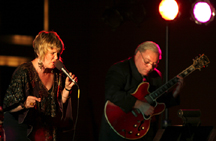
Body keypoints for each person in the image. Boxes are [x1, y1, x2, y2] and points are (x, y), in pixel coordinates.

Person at [99, 41, 183, 141]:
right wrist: (138, 104)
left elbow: (158, 102)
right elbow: (112, 94)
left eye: (154, 64)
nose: (150, 67)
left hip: (144, 132)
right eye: (147, 62)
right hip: (117, 130)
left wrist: (175, 93)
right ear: (138, 54)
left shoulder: (155, 76)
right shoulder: (119, 69)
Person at [3, 31, 78, 141]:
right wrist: (25, 104)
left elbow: (59, 104)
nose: (56, 57)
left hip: (46, 135)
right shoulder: (24, 72)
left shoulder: (57, 74)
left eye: (58, 54)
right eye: (52, 53)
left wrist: (67, 88)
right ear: (40, 52)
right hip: (24, 134)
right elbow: (8, 106)